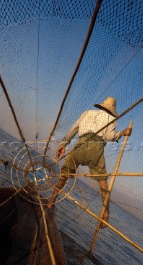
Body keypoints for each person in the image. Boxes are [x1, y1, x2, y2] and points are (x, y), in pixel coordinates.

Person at [48, 97, 132, 228]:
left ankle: (51, 201)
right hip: (96, 149)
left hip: (81, 145)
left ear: (102, 106)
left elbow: (74, 128)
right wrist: (122, 133)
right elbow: (110, 136)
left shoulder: (87, 113)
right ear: (112, 110)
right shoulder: (112, 119)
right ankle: (105, 214)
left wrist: (63, 144)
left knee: (64, 175)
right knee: (102, 181)